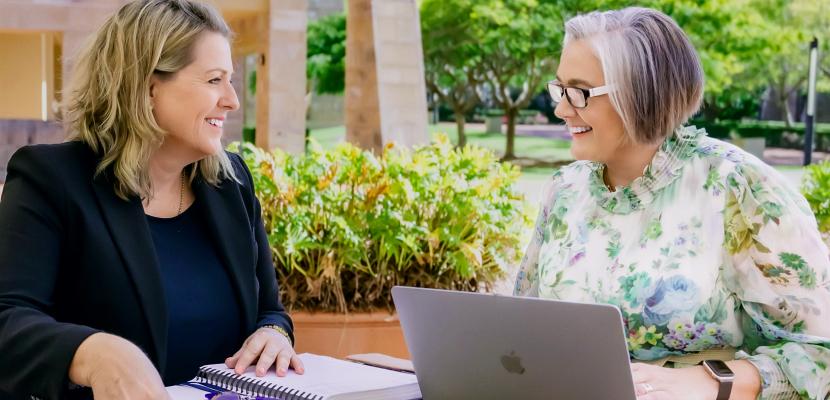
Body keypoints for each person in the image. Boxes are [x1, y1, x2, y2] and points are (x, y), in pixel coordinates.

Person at [514, 7, 830, 400]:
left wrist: (710, 380)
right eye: (559, 89)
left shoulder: (738, 187)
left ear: (641, 93)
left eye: (578, 92)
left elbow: (820, 355)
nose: (561, 109)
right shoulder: (563, 190)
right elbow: (521, 327)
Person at [0, 1, 304, 399]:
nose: (232, 100)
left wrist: (274, 333)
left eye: (230, 80)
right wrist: (92, 352)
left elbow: (270, 309)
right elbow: (8, 321)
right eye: (214, 80)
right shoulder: (51, 180)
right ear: (146, 86)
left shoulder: (232, 184)